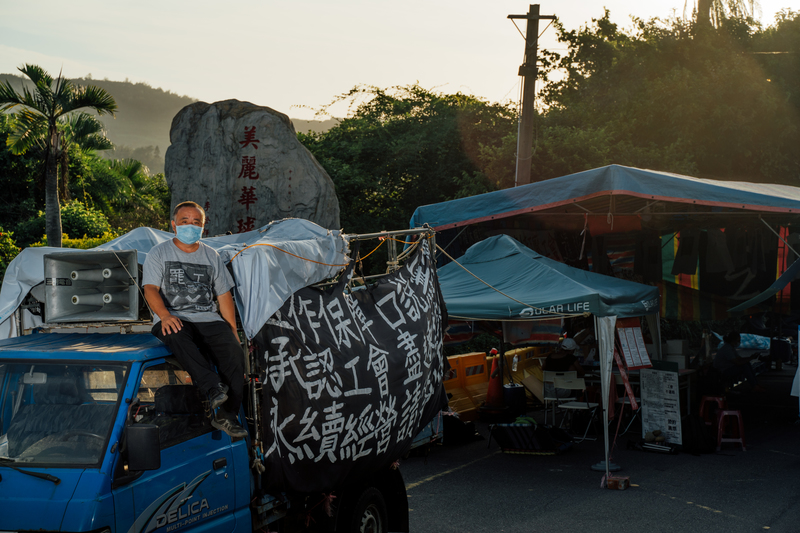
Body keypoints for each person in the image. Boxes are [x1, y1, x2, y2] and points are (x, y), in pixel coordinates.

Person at [143, 201, 247, 438]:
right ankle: (212, 388)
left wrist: (231, 329)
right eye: (184, 221)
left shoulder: (212, 256)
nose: (190, 226)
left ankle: (226, 415)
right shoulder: (158, 253)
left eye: (196, 222)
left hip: (207, 317)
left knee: (234, 352)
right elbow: (150, 288)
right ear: (173, 225)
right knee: (175, 333)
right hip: (174, 316)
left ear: (203, 227)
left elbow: (223, 295)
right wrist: (165, 315)